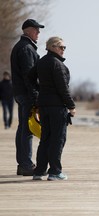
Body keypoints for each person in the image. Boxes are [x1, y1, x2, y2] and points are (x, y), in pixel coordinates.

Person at [28, 36, 76, 181]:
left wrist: (41, 90)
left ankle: (39, 171)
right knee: (58, 139)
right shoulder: (57, 65)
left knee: (46, 138)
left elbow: (30, 77)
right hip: (57, 106)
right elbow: (63, 88)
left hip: (44, 105)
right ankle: (55, 171)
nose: (63, 50)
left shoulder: (41, 62)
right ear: (52, 47)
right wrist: (71, 106)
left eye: (64, 47)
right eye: (61, 47)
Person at [10, 19, 45, 176]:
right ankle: (26, 164)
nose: (39, 33)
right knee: (27, 129)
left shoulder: (23, 46)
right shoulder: (26, 49)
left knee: (23, 128)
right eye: (36, 30)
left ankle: (23, 163)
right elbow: (29, 76)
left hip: (20, 92)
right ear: (28, 30)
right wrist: (35, 97)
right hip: (26, 93)